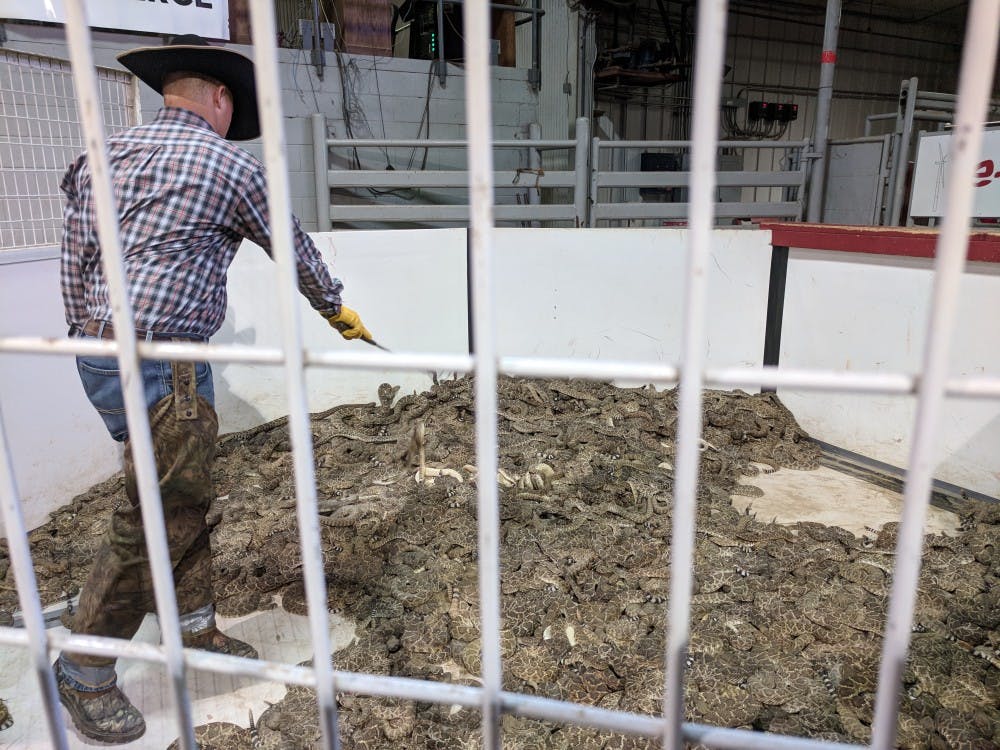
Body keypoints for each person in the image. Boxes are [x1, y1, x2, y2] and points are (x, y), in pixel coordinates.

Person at [55, 34, 371, 744]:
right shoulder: (228, 166)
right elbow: (292, 249)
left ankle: (194, 630)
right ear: (221, 98)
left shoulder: (101, 157)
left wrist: (90, 336)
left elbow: (76, 261)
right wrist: (336, 309)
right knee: (160, 513)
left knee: (175, 493)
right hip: (170, 365)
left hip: (99, 356)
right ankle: (84, 666)